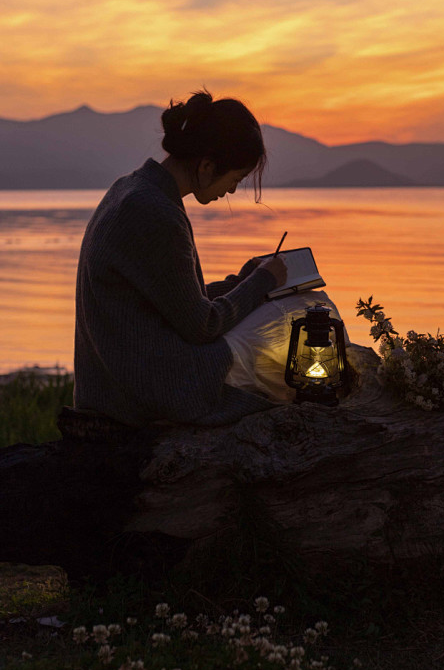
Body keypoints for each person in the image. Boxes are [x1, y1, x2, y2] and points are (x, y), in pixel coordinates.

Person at [74, 90, 287, 427]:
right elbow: (203, 325)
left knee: (271, 315)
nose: (231, 191)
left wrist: (242, 281)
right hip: (140, 392)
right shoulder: (154, 212)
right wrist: (263, 282)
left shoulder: (134, 190)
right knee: (284, 320)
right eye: (235, 179)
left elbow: (177, 300)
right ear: (206, 166)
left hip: (116, 381)